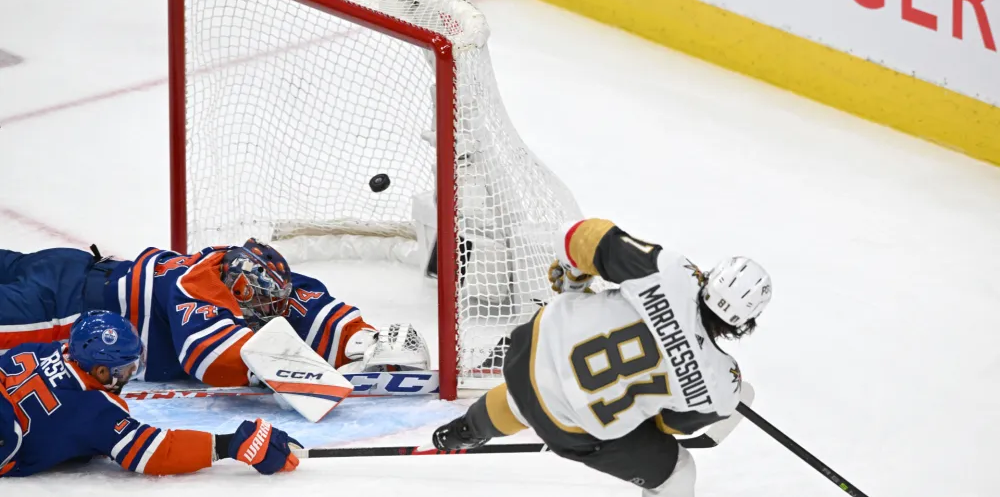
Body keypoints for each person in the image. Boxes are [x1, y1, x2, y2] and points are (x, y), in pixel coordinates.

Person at [431, 218, 772, 497]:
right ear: (746, 324)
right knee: (678, 473)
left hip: (526, 353)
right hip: (570, 430)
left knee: (531, 391)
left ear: (710, 278)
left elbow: (577, 235)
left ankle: (464, 429)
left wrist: (573, 274)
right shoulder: (722, 387)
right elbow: (668, 427)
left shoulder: (670, 270)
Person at [0, 239, 430, 387]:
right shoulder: (196, 287)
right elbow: (211, 359)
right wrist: (282, 366)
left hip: (70, 264)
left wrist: (363, 341)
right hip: (56, 306)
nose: (270, 309)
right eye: (259, 302)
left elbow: (305, 301)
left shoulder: (240, 268)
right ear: (237, 289)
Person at [0, 310, 300, 477]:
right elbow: (157, 451)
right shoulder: (95, 411)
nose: (131, 374)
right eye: (126, 367)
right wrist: (231, 444)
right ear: (101, 371)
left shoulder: (33, 350)